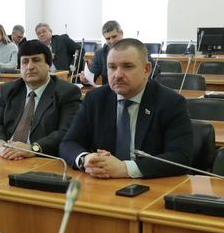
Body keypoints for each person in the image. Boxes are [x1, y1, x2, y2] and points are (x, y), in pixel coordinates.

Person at [60, 39, 193, 179]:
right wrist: (86, 159)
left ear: (146, 70)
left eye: (127, 66)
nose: (117, 75)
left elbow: (180, 157)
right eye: (112, 67)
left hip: (151, 184)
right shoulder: (95, 99)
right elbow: (69, 142)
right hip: (102, 183)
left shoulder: (171, 102)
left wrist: (126, 168)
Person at [0, 40, 81, 159]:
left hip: (41, 159)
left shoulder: (67, 92)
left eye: (36, 60)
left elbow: (66, 132)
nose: (30, 67)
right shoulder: (8, 90)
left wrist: (32, 148)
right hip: (7, 157)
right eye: (25, 62)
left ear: (49, 65)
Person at [84, 20, 123, 85]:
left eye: (114, 36)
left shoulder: (133, 51)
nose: (112, 41)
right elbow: (91, 78)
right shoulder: (100, 54)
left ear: (121, 33)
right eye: (108, 38)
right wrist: (85, 80)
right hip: (108, 89)